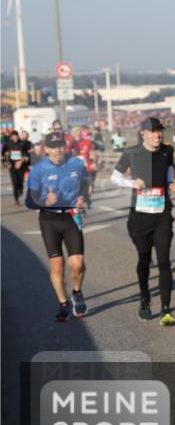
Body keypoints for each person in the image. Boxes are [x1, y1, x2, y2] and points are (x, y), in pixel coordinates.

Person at [110, 117, 175, 324]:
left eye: (160, 131)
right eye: (154, 131)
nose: (158, 135)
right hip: (140, 216)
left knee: (164, 261)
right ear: (143, 133)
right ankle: (144, 297)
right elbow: (114, 177)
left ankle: (166, 310)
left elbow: (169, 175)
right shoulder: (132, 152)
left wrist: (172, 184)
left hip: (162, 214)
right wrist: (132, 183)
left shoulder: (167, 152)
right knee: (144, 259)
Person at [26, 132, 89, 321]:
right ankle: (63, 304)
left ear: (65, 146)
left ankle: (77, 292)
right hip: (49, 220)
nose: (58, 150)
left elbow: (85, 185)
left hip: (71, 217)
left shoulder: (77, 165)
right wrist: (46, 201)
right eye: (53, 147)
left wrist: (83, 197)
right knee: (58, 267)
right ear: (46, 149)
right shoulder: (38, 169)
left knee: (78, 264)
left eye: (61, 145)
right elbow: (29, 200)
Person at [5, 130, 31, 206]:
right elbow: (5, 153)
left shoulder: (22, 144)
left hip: (21, 166)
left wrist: (21, 161)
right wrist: (7, 163)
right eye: (13, 136)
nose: (15, 137)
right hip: (12, 166)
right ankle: (16, 201)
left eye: (16, 136)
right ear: (11, 137)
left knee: (20, 182)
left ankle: (21, 190)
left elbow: (26, 154)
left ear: (18, 136)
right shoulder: (8, 144)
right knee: (15, 183)